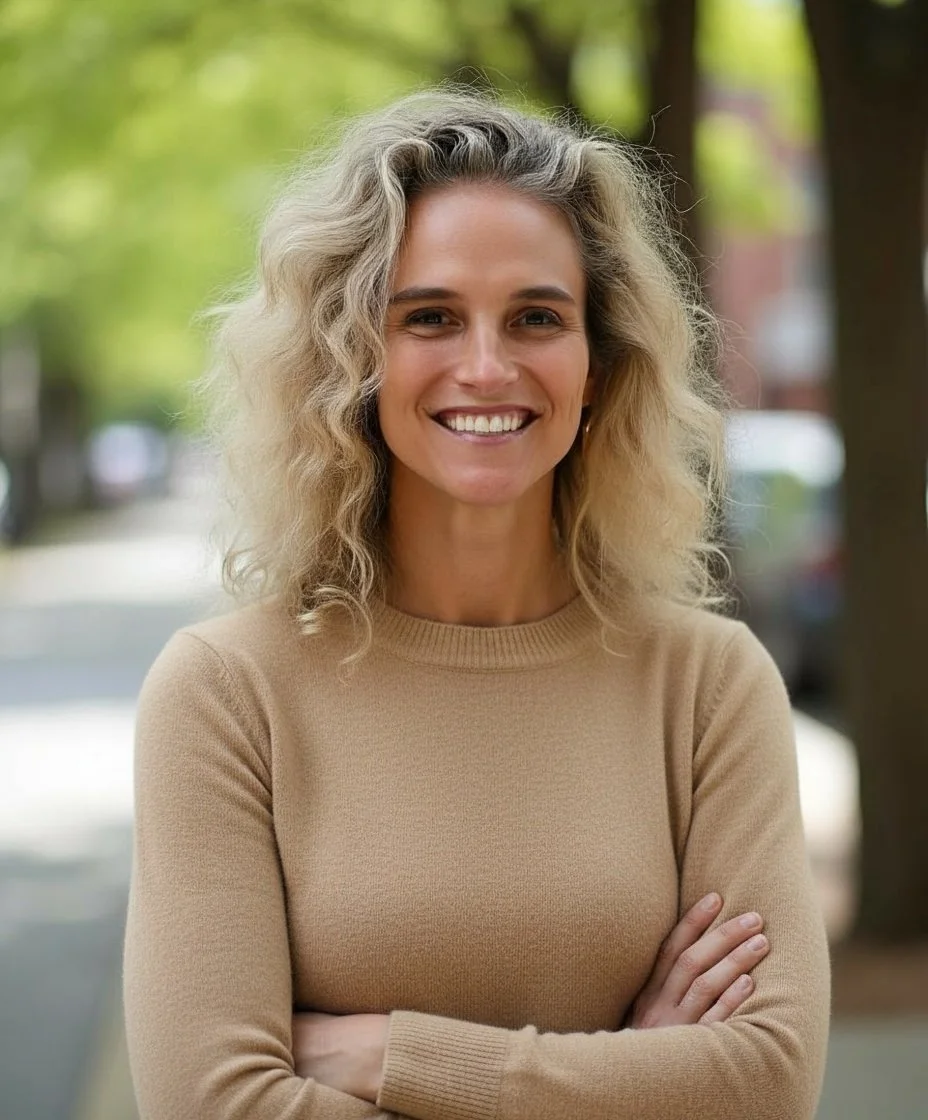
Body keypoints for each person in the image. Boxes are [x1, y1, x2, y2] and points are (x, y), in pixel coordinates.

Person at [123, 89, 830, 1119]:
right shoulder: (229, 693)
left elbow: (765, 1084)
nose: (487, 365)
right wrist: (629, 1073)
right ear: (355, 356)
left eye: (537, 316)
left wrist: (388, 1058)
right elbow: (211, 1105)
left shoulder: (707, 686)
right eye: (431, 317)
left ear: (597, 364)